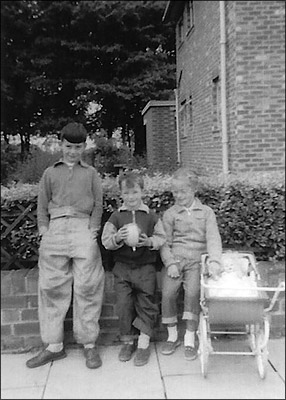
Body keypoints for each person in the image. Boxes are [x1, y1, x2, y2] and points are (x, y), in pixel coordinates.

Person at [26, 122, 105, 369]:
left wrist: (93, 230)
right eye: (69, 146)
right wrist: (43, 230)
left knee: (88, 285)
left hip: (83, 229)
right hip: (56, 229)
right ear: (61, 145)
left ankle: (89, 344)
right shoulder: (50, 173)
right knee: (51, 286)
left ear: (84, 147)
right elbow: (41, 205)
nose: (73, 151)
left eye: (78, 147)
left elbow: (98, 204)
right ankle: (53, 346)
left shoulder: (91, 173)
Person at [101, 171, 166, 366]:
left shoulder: (151, 216)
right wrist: (117, 239)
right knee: (123, 306)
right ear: (121, 194)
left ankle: (144, 344)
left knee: (147, 304)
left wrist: (149, 242)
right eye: (127, 193)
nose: (131, 197)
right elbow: (106, 241)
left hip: (145, 267)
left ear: (142, 192)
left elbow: (162, 238)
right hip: (122, 268)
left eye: (135, 192)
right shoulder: (116, 217)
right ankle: (128, 342)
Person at [160, 167, 223, 360]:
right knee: (168, 293)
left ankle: (189, 336)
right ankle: (172, 335)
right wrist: (170, 263)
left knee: (193, 293)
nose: (179, 196)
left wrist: (214, 261)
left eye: (183, 191)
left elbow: (213, 238)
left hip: (197, 260)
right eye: (175, 192)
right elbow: (164, 242)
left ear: (193, 190)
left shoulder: (206, 212)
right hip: (176, 261)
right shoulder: (170, 214)